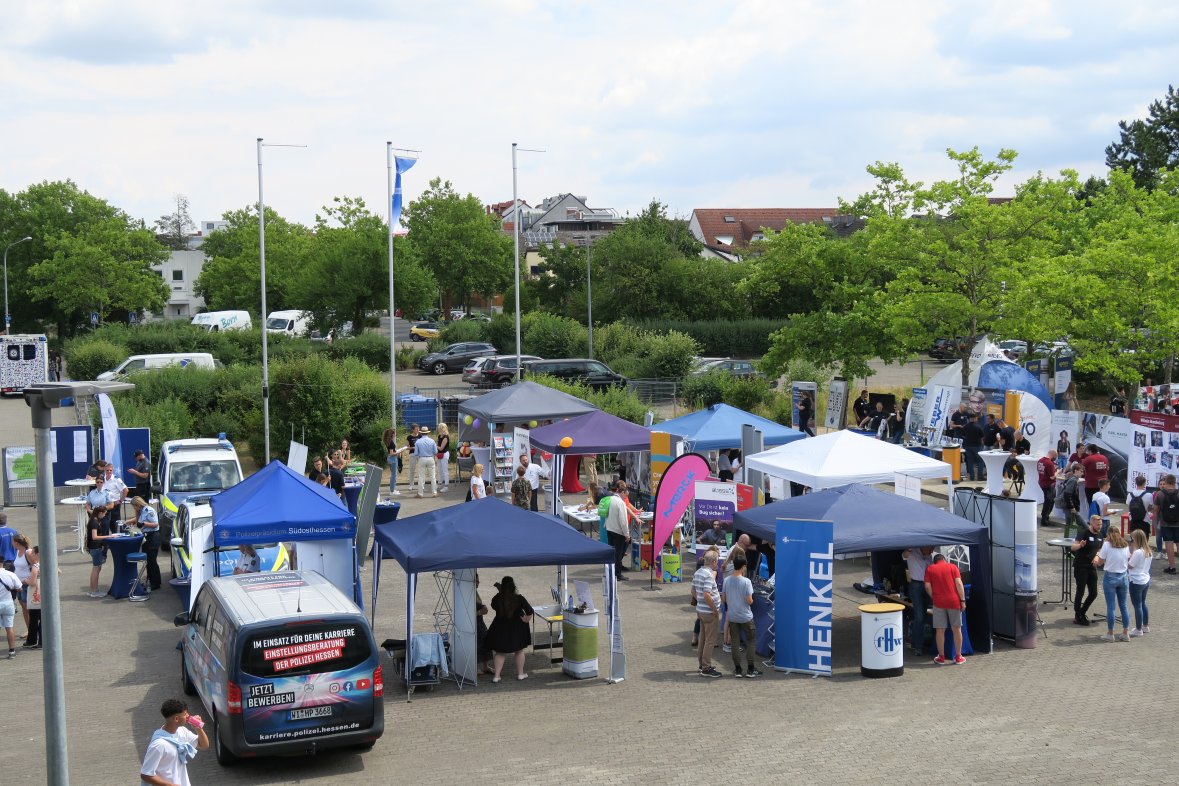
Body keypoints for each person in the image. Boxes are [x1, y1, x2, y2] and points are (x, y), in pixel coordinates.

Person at [139, 698, 209, 786]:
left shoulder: (182, 730)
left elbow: (203, 745)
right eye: (185, 714)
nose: (188, 716)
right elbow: (145, 774)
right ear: (176, 718)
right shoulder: (159, 745)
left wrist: (199, 729)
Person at [485, 576, 534, 682]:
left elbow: (493, 605)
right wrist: (526, 619)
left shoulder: (497, 598)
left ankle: (496, 676)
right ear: (513, 586)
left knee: (500, 653)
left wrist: (500, 593)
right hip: (517, 630)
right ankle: (520, 674)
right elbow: (530, 611)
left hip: (500, 629)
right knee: (519, 651)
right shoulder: (519, 598)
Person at [924, 553, 966, 665]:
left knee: (940, 630)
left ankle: (941, 657)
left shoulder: (930, 569)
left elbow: (927, 586)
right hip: (954, 601)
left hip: (938, 603)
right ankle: (958, 657)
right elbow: (959, 583)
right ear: (944, 559)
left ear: (935, 561)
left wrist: (934, 596)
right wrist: (962, 600)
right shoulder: (953, 567)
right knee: (956, 629)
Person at [722, 554, 761, 678]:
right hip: (745, 616)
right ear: (743, 567)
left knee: (734, 642)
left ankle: (738, 669)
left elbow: (724, 598)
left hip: (732, 616)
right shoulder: (746, 581)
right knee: (751, 641)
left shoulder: (726, 580)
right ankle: (750, 669)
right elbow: (749, 601)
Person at [1093, 527, 1131, 642]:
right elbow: (1127, 558)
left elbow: (1100, 562)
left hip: (1110, 577)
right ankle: (1126, 633)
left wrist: (1097, 555)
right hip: (1123, 577)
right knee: (1124, 606)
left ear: (1109, 534)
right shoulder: (1125, 545)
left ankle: (1110, 634)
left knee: (1111, 607)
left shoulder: (1107, 545)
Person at [692, 548, 723, 677]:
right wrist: (714, 609)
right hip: (709, 613)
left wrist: (699, 602)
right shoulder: (709, 575)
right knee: (710, 641)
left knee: (703, 639)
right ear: (714, 562)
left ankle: (701, 664)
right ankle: (706, 667)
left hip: (701, 611)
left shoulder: (698, 572)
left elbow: (693, 591)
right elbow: (706, 594)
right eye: (717, 562)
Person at [86, 477, 116, 598]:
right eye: (103, 514)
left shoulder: (94, 520)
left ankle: (94, 589)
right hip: (95, 548)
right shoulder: (94, 522)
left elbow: (112, 504)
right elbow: (94, 536)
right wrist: (108, 536)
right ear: (100, 513)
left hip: (94, 547)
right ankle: (94, 591)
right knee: (96, 568)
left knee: (96, 568)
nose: (104, 516)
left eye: (100, 482)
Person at [1071, 514, 1103, 626]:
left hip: (1091, 567)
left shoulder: (1100, 535)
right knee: (1081, 590)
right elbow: (1073, 547)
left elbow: (1099, 549)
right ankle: (1078, 615)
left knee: (1094, 593)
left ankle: (1082, 611)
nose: (1100, 527)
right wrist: (1080, 545)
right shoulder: (1083, 533)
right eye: (1098, 524)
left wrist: (1097, 556)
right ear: (1092, 523)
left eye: (1101, 524)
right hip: (1081, 566)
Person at [902, 546, 934, 655]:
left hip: (928, 584)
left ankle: (919, 642)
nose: (932, 551)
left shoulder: (929, 555)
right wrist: (909, 549)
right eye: (930, 548)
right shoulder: (912, 552)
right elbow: (904, 555)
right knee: (919, 616)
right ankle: (917, 647)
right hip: (916, 585)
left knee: (925, 615)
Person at [131, 496, 162, 592]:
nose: (134, 509)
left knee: (152, 561)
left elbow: (156, 524)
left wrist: (144, 523)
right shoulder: (142, 511)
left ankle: (155, 583)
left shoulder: (149, 510)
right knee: (148, 561)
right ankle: (150, 580)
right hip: (146, 537)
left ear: (137, 504)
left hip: (153, 537)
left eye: (134, 507)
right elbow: (138, 522)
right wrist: (137, 513)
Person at [1127, 529, 1152, 637]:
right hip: (1145, 580)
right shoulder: (1148, 551)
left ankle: (1138, 629)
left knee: (1137, 605)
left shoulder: (1137, 552)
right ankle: (1145, 626)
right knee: (1143, 603)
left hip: (1136, 581)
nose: (1131, 540)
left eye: (1132, 538)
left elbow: (1130, 566)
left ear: (1136, 539)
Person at [604, 481, 631, 580]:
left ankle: (610, 572)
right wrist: (627, 534)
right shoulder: (621, 503)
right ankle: (617, 574)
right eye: (625, 496)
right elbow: (623, 521)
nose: (625, 498)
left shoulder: (610, 499)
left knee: (612, 552)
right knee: (618, 553)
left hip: (609, 528)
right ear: (622, 492)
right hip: (618, 532)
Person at [1152, 473, 1179, 574]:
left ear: (1166, 482)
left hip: (1165, 523)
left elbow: (1155, 510)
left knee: (1169, 543)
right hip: (1178, 523)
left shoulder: (1160, 494)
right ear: (1174, 482)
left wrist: (1155, 523)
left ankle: (1172, 567)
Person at [0, 560, 21, 658]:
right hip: (8, 603)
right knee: (9, 627)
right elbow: (19, 587)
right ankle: (12, 651)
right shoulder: (10, 574)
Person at [1081, 444, 1109, 511]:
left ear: (1090, 451)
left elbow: (1080, 468)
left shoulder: (1089, 459)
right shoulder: (1105, 458)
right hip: (1104, 484)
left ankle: (1093, 520)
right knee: (1103, 504)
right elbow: (1107, 469)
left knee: (1092, 504)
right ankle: (1102, 518)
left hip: (1091, 485)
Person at [22, 548, 40, 649]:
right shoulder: (48, 563)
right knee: (42, 618)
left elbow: (32, 582)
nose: (31, 554)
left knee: (33, 618)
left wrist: (25, 580)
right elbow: (59, 571)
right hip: (46, 594)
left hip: (36, 593)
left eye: (33, 552)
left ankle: (32, 641)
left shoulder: (35, 566)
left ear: (37, 554)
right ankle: (42, 641)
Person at [412, 427, 438, 498]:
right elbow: (435, 452)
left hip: (422, 458)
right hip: (430, 458)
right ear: (428, 433)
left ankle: (420, 493)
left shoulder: (418, 441)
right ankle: (434, 492)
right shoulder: (432, 441)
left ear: (421, 433)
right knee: (432, 476)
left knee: (421, 477)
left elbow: (416, 453)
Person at [382, 428, 406, 496]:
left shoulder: (388, 441)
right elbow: (391, 453)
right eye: (394, 433)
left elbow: (391, 452)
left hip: (391, 459)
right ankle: (392, 491)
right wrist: (400, 451)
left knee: (393, 475)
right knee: (394, 475)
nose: (395, 434)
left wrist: (397, 451)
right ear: (392, 434)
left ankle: (393, 489)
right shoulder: (391, 442)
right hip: (393, 459)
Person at [1037, 451, 1058, 527]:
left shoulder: (1040, 460)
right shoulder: (1049, 463)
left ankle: (1045, 516)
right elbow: (1052, 477)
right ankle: (1044, 519)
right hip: (1049, 484)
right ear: (1053, 455)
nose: (1055, 458)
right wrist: (1058, 472)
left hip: (1042, 482)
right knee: (1049, 502)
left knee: (1048, 501)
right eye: (1056, 456)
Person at [961, 414, 985, 482]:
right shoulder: (978, 427)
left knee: (970, 462)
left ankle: (972, 477)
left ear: (969, 419)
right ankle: (980, 477)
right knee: (980, 461)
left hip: (968, 446)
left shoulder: (965, 427)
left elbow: (963, 436)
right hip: (977, 446)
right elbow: (982, 437)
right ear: (975, 418)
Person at [434, 423, 451, 493]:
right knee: (439, 470)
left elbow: (441, 448)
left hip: (444, 454)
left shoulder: (446, 437)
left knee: (445, 470)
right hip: (439, 454)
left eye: (439, 427)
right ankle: (439, 483)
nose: (438, 428)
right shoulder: (440, 436)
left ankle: (446, 486)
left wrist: (434, 445)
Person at [405, 424, 422, 490]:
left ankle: (421, 484)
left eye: (418, 429)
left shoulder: (420, 436)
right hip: (412, 454)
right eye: (416, 429)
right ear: (413, 430)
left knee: (421, 470)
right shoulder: (409, 437)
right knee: (412, 470)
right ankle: (411, 484)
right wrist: (413, 447)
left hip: (420, 454)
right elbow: (406, 447)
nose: (418, 430)